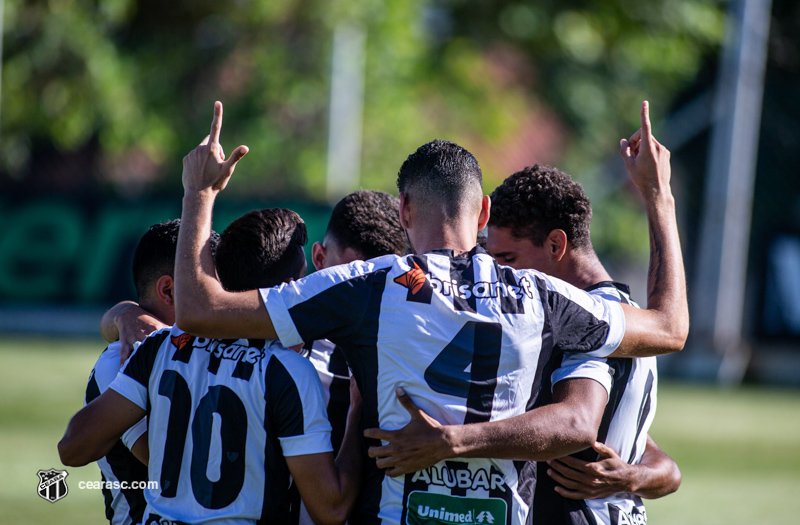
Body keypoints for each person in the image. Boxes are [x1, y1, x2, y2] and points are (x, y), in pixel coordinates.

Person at [166, 101, 687, 525]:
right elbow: (669, 328)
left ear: (404, 210)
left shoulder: (368, 284)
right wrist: (657, 196)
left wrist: (200, 193)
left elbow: (197, 309)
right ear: (483, 211)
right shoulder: (541, 294)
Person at [59, 208, 363, 525]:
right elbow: (331, 509)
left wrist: (122, 314)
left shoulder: (158, 347)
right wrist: (358, 411)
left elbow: (71, 448)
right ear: (288, 287)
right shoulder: (286, 369)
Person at [486, 163, 681, 524]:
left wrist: (451, 440)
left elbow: (578, 424)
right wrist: (638, 476)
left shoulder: (582, 321)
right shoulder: (630, 317)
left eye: (508, 260)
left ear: (557, 244)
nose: (498, 274)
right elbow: (649, 453)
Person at [85, 219, 206, 525]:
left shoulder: (205, 346)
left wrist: (123, 312)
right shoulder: (119, 361)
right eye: (207, 286)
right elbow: (165, 461)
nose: (215, 299)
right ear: (168, 290)